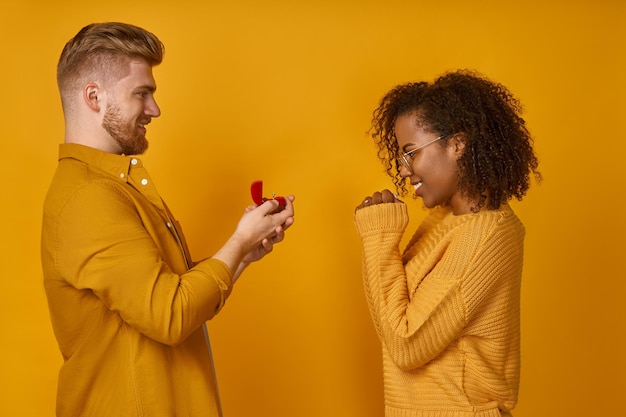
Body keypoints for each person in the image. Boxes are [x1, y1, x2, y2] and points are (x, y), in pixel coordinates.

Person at [41, 22, 295, 417]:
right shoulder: (88, 198)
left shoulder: (111, 188)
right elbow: (170, 316)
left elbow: (170, 296)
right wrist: (240, 242)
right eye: (142, 94)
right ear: (94, 96)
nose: (154, 109)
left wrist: (244, 254)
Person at [354, 70, 540, 417]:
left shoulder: (486, 235)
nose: (404, 169)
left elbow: (406, 344)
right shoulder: (447, 220)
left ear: (457, 144)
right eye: (401, 157)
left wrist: (378, 237)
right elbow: (393, 314)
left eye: (412, 152)